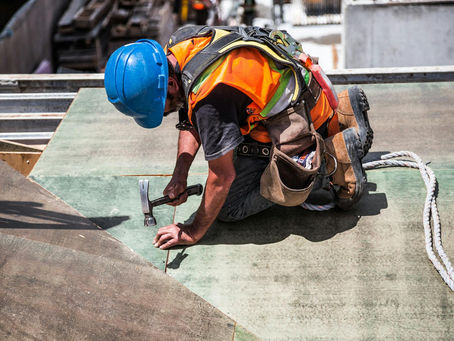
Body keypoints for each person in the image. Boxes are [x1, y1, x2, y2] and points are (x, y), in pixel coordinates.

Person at [104, 26, 373, 250]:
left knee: (230, 207)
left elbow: (222, 177)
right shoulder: (180, 45)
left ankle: (332, 159)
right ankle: (343, 113)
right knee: (226, 146)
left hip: (298, 118)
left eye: (158, 109)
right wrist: (180, 174)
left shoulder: (211, 98)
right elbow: (189, 115)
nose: (162, 115)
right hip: (302, 91)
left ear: (170, 84)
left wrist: (193, 231)